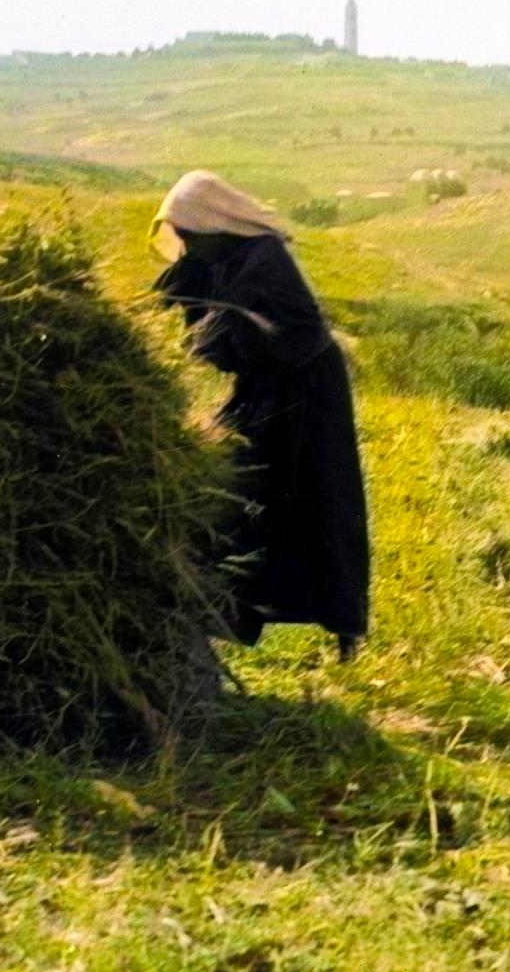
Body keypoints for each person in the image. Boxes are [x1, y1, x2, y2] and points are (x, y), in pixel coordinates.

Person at [149, 170, 369, 660]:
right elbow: (169, 295)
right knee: (237, 490)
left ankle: (344, 626)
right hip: (267, 386)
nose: (186, 245)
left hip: (309, 390)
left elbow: (232, 329)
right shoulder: (217, 257)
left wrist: (198, 337)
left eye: (190, 234)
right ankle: (225, 610)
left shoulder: (264, 260)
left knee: (319, 498)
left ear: (214, 225)